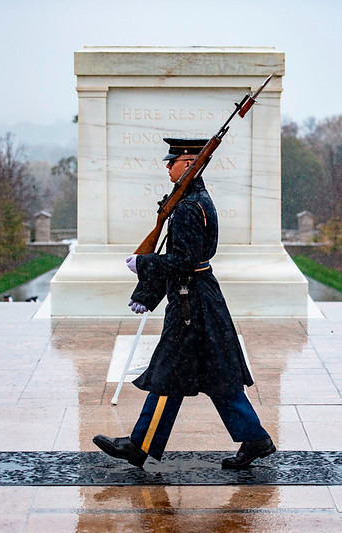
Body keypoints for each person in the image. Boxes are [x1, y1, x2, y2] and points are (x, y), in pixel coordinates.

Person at [93, 138, 275, 469]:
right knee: (215, 374)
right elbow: (184, 260)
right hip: (198, 298)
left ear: (189, 165)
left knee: (169, 373)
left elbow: (181, 261)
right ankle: (255, 439)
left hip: (191, 305)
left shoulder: (190, 207)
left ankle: (139, 445)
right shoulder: (191, 201)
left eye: (172, 161)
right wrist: (147, 295)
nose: (167, 166)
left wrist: (143, 266)